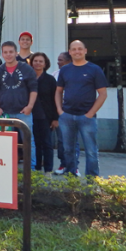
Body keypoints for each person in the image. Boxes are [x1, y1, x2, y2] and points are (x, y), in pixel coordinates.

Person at [55, 40, 108, 178]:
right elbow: (58, 91)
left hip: (87, 118)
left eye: (80, 49)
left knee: (91, 151)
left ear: (85, 51)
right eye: (74, 49)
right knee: (68, 150)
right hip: (67, 116)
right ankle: (71, 177)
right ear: (70, 52)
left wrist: (90, 114)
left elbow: (103, 94)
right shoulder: (65, 70)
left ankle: (92, 180)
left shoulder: (94, 69)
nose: (77, 51)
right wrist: (60, 111)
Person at [0, 41, 38, 170]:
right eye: (5, 52)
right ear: (2, 54)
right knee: (5, 142)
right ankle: (7, 168)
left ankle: (31, 169)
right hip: (5, 113)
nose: (8, 55)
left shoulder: (26, 69)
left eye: (11, 52)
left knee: (29, 141)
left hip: (23, 112)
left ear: (16, 53)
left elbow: (34, 89)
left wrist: (30, 107)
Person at [30, 52, 58, 173]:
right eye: (35, 61)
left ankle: (48, 170)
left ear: (45, 64)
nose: (38, 63)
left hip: (46, 116)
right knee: (34, 144)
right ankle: (36, 168)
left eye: (41, 61)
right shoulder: (28, 78)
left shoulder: (50, 80)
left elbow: (55, 99)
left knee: (46, 144)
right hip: (30, 115)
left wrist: (55, 118)